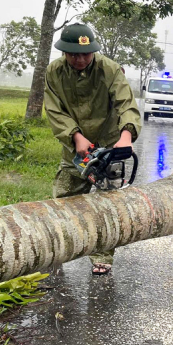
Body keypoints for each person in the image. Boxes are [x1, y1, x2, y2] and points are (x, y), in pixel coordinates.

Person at [44, 22, 142, 273]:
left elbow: (125, 104)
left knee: (107, 205)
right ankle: (58, 251)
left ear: (94, 51)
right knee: (63, 200)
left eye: (85, 53)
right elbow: (54, 110)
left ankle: (102, 257)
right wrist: (75, 136)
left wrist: (126, 135)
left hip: (108, 146)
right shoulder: (54, 72)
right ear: (64, 52)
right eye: (74, 54)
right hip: (74, 149)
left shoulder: (109, 70)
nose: (80, 59)